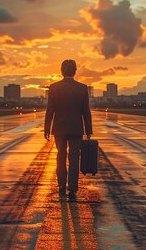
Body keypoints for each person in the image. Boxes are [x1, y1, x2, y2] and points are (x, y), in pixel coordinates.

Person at [44, 59, 93, 202]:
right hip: (76, 129)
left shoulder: (54, 87)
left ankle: (61, 186)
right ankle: (72, 190)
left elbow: (50, 110)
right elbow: (86, 111)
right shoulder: (82, 88)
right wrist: (88, 130)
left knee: (60, 156)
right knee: (74, 158)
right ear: (75, 71)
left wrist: (47, 128)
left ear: (61, 71)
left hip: (59, 128)